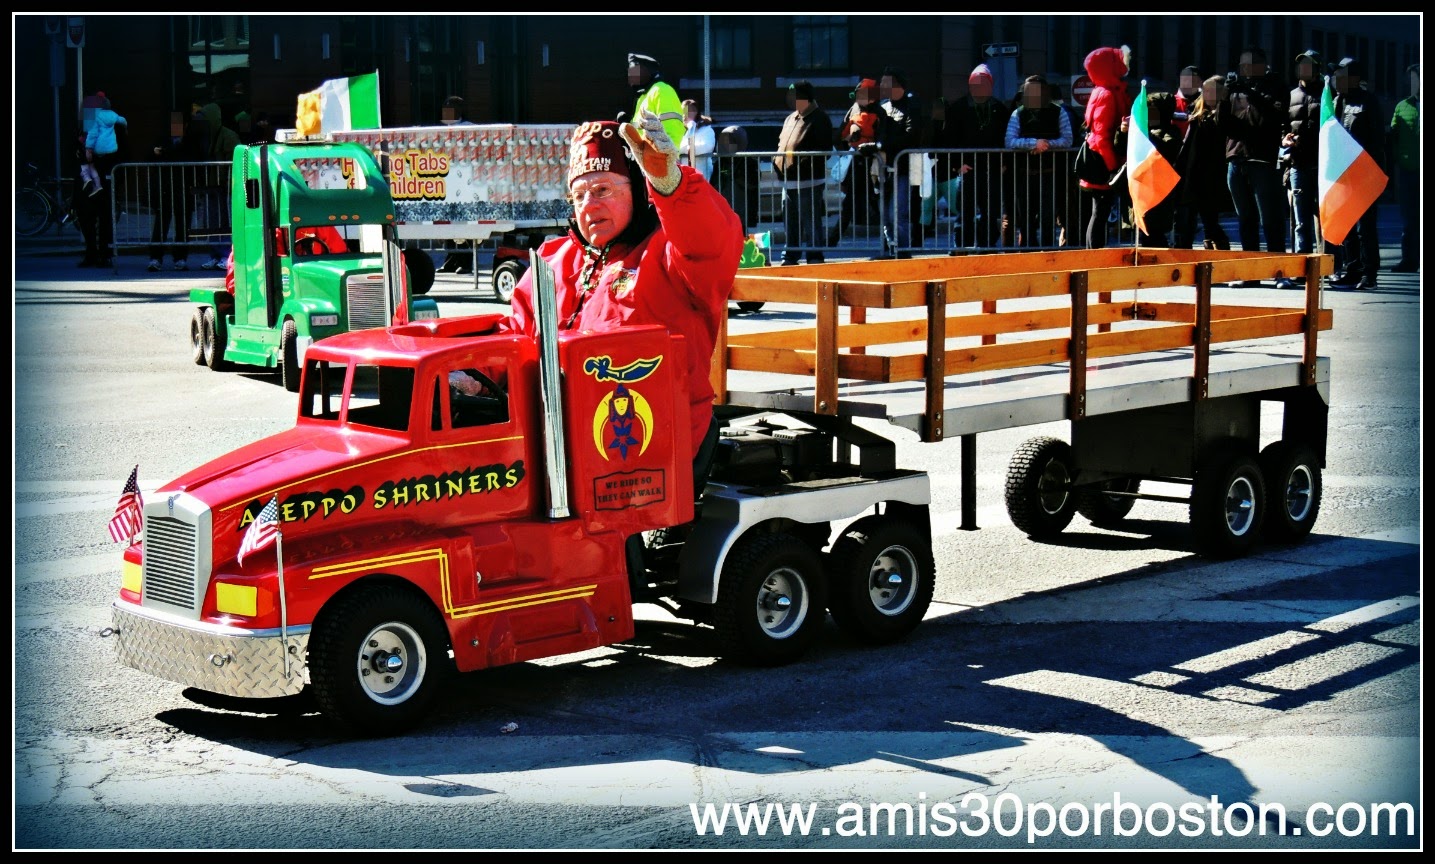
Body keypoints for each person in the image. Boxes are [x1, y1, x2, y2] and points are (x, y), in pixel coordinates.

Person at [494, 112, 742, 492]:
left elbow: (710, 242)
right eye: (579, 195)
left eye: (603, 190)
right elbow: (515, 337)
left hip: (648, 449)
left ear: (638, 190)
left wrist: (671, 186)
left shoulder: (667, 253)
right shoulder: (555, 262)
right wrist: (474, 375)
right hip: (563, 450)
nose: (589, 206)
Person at [1223, 45, 1289, 283]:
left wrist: (1250, 93)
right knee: (1245, 219)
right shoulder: (1236, 90)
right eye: (1243, 65)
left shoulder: (1277, 86)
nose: (1246, 69)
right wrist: (1223, 96)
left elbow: (1276, 116)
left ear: (1262, 64)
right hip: (1236, 158)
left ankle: (1279, 271)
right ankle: (1250, 273)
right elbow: (1224, 124)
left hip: (1261, 159)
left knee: (1270, 218)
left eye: (1251, 64)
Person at [1327, 58, 1386, 290]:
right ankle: (1352, 269)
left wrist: (1369, 170)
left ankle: (1369, 273)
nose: (1336, 81)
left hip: (1364, 173)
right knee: (1348, 225)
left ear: (1354, 78)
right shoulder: (1337, 100)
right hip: (1344, 173)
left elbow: (1377, 141)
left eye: (1341, 76)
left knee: (1365, 228)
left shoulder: (1369, 101)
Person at [1005, 73, 1072, 249]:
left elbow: (1067, 139)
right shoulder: (1017, 113)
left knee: (1048, 217)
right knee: (1025, 218)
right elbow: (1010, 141)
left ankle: (1048, 254)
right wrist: (1033, 144)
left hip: (1049, 174)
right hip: (1024, 174)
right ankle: (1028, 253)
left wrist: (1047, 145)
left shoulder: (1059, 112)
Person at [774, 81, 833, 265]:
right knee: (790, 222)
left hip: (809, 181)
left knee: (810, 221)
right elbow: (781, 143)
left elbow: (825, 151)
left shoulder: (820, 118)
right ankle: (790, 255)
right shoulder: (790, 118)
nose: (791, 100)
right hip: (788, 181)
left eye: (795, 95)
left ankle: (814, 255)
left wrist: (801, 165)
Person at [1172, 75, 1233, 252]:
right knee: (1187, 221)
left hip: (1212, 174)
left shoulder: (1225, 113)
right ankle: (1188, 257)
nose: (1205, 94)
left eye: (1210, 90)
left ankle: (1220, 257)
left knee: (1210, 222)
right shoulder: (1197, 114)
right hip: (1193, 173)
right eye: (1204, 90)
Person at [876, 65, 929, 257]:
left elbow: (911, 136)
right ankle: (887, 250)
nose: (881, 86)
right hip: (883, 168)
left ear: (897, 84)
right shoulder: (882, 106)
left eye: (885, 82)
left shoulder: (912, 105)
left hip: (903, 167)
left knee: (898, 214)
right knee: (884, 215)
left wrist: (882, 145)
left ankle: (902, 252)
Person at [147, 108, 208, 272]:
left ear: (185, 125)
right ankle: (155, 257)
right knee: (162, 222)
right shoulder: (163, 139)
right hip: (166, 186)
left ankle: (180, 257)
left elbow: (195, 159)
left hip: (183, 186)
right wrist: (156, 153)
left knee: (182, 223)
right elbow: (149, 156)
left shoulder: (190, 141)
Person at [1078, 46, 1128, 249]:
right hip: (1104, 161)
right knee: (1100, 212)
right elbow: (1101, 136)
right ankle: (1095, 257)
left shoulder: (1104, 91)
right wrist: (1112, 167)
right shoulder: (1107, 93)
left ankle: (1095, 256)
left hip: (1102, 160)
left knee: (1100, 212)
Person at [1282, 50, 1325, 280]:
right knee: (1301, 221)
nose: (1304, 69)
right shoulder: (1291, 95)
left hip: (1322, 165)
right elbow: (1283, 125)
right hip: (1297, 164)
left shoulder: (1328, 94)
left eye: (1309, 65)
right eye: (1301, 65)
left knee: (1325, 219)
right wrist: (1284, 139)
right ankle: (1302, 268)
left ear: (1318, 69)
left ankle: (1328, 266)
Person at [1119, 89, 1181, 246]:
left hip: (1158, 193)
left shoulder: (1171, 132)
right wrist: (1123, 133)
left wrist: (1144, 136)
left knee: (1156, 236)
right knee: (1144, 234)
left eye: (1152, 111)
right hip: (1141, 188)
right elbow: (1120, 148)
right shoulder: (1143, 131)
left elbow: (1166, 150)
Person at [82, 94, 128, 268]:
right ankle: (99, 253)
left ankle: (100, 253)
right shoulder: (117, 120)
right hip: (105, 175)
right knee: (100, 215)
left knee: (100, 214)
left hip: (99, 174)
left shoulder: (93, 122)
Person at [437, 95, 480, 275]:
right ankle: (451, 260)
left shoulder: (469, 128)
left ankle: (466, 262)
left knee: (465, 224)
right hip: (447, 183)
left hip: (465, 184)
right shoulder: (440, 131)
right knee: (448, 224)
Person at [838, 77, 886, 232]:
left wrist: (872, 146)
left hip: (873, 162)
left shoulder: (880, 112)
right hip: (857, 161)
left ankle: (888, 240)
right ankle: (834, 237)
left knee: (875, 200)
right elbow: (841, 132)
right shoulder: (854, 109)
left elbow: (882, 137)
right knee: (851, 200)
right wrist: (848, 139)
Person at [199, 101, 241, 271]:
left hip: (225, 185)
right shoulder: (208, 136)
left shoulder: (227, 136)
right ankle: (216, 255)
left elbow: (233, 161)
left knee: (225, 221)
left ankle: (225, 255)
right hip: (212, 184)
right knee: (212, 221)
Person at [1388, 63, 1419, 273]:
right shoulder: (1402, 106)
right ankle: (1409, 260)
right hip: (1409, 171)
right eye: (1412, 80)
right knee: (1409, 219)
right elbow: (1392, 137)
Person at [627, 53, 685, 149]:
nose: (630, 75)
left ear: (647, 71)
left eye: (633, 71)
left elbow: (672, 130)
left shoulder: (662, 90)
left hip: (659, 159)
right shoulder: (643, 96)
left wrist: (664, 155)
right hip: (645, 157)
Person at [713, 124, 759, 236]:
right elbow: (714, 184)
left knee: (741, 237)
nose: (726, 144)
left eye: (730, 141)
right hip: (724, 209)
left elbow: (752, 183)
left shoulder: (749, 162)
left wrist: (735, 175)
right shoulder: (721, 162)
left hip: (742, 210)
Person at [677, 98, 716, 180]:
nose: (684, 115)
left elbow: (706, 147)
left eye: (687, 111)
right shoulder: (684, 131)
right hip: (686, 177)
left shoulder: (707, 130)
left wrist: (684, 149)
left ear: (696, 112)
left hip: (701, 176)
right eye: (682, 112)